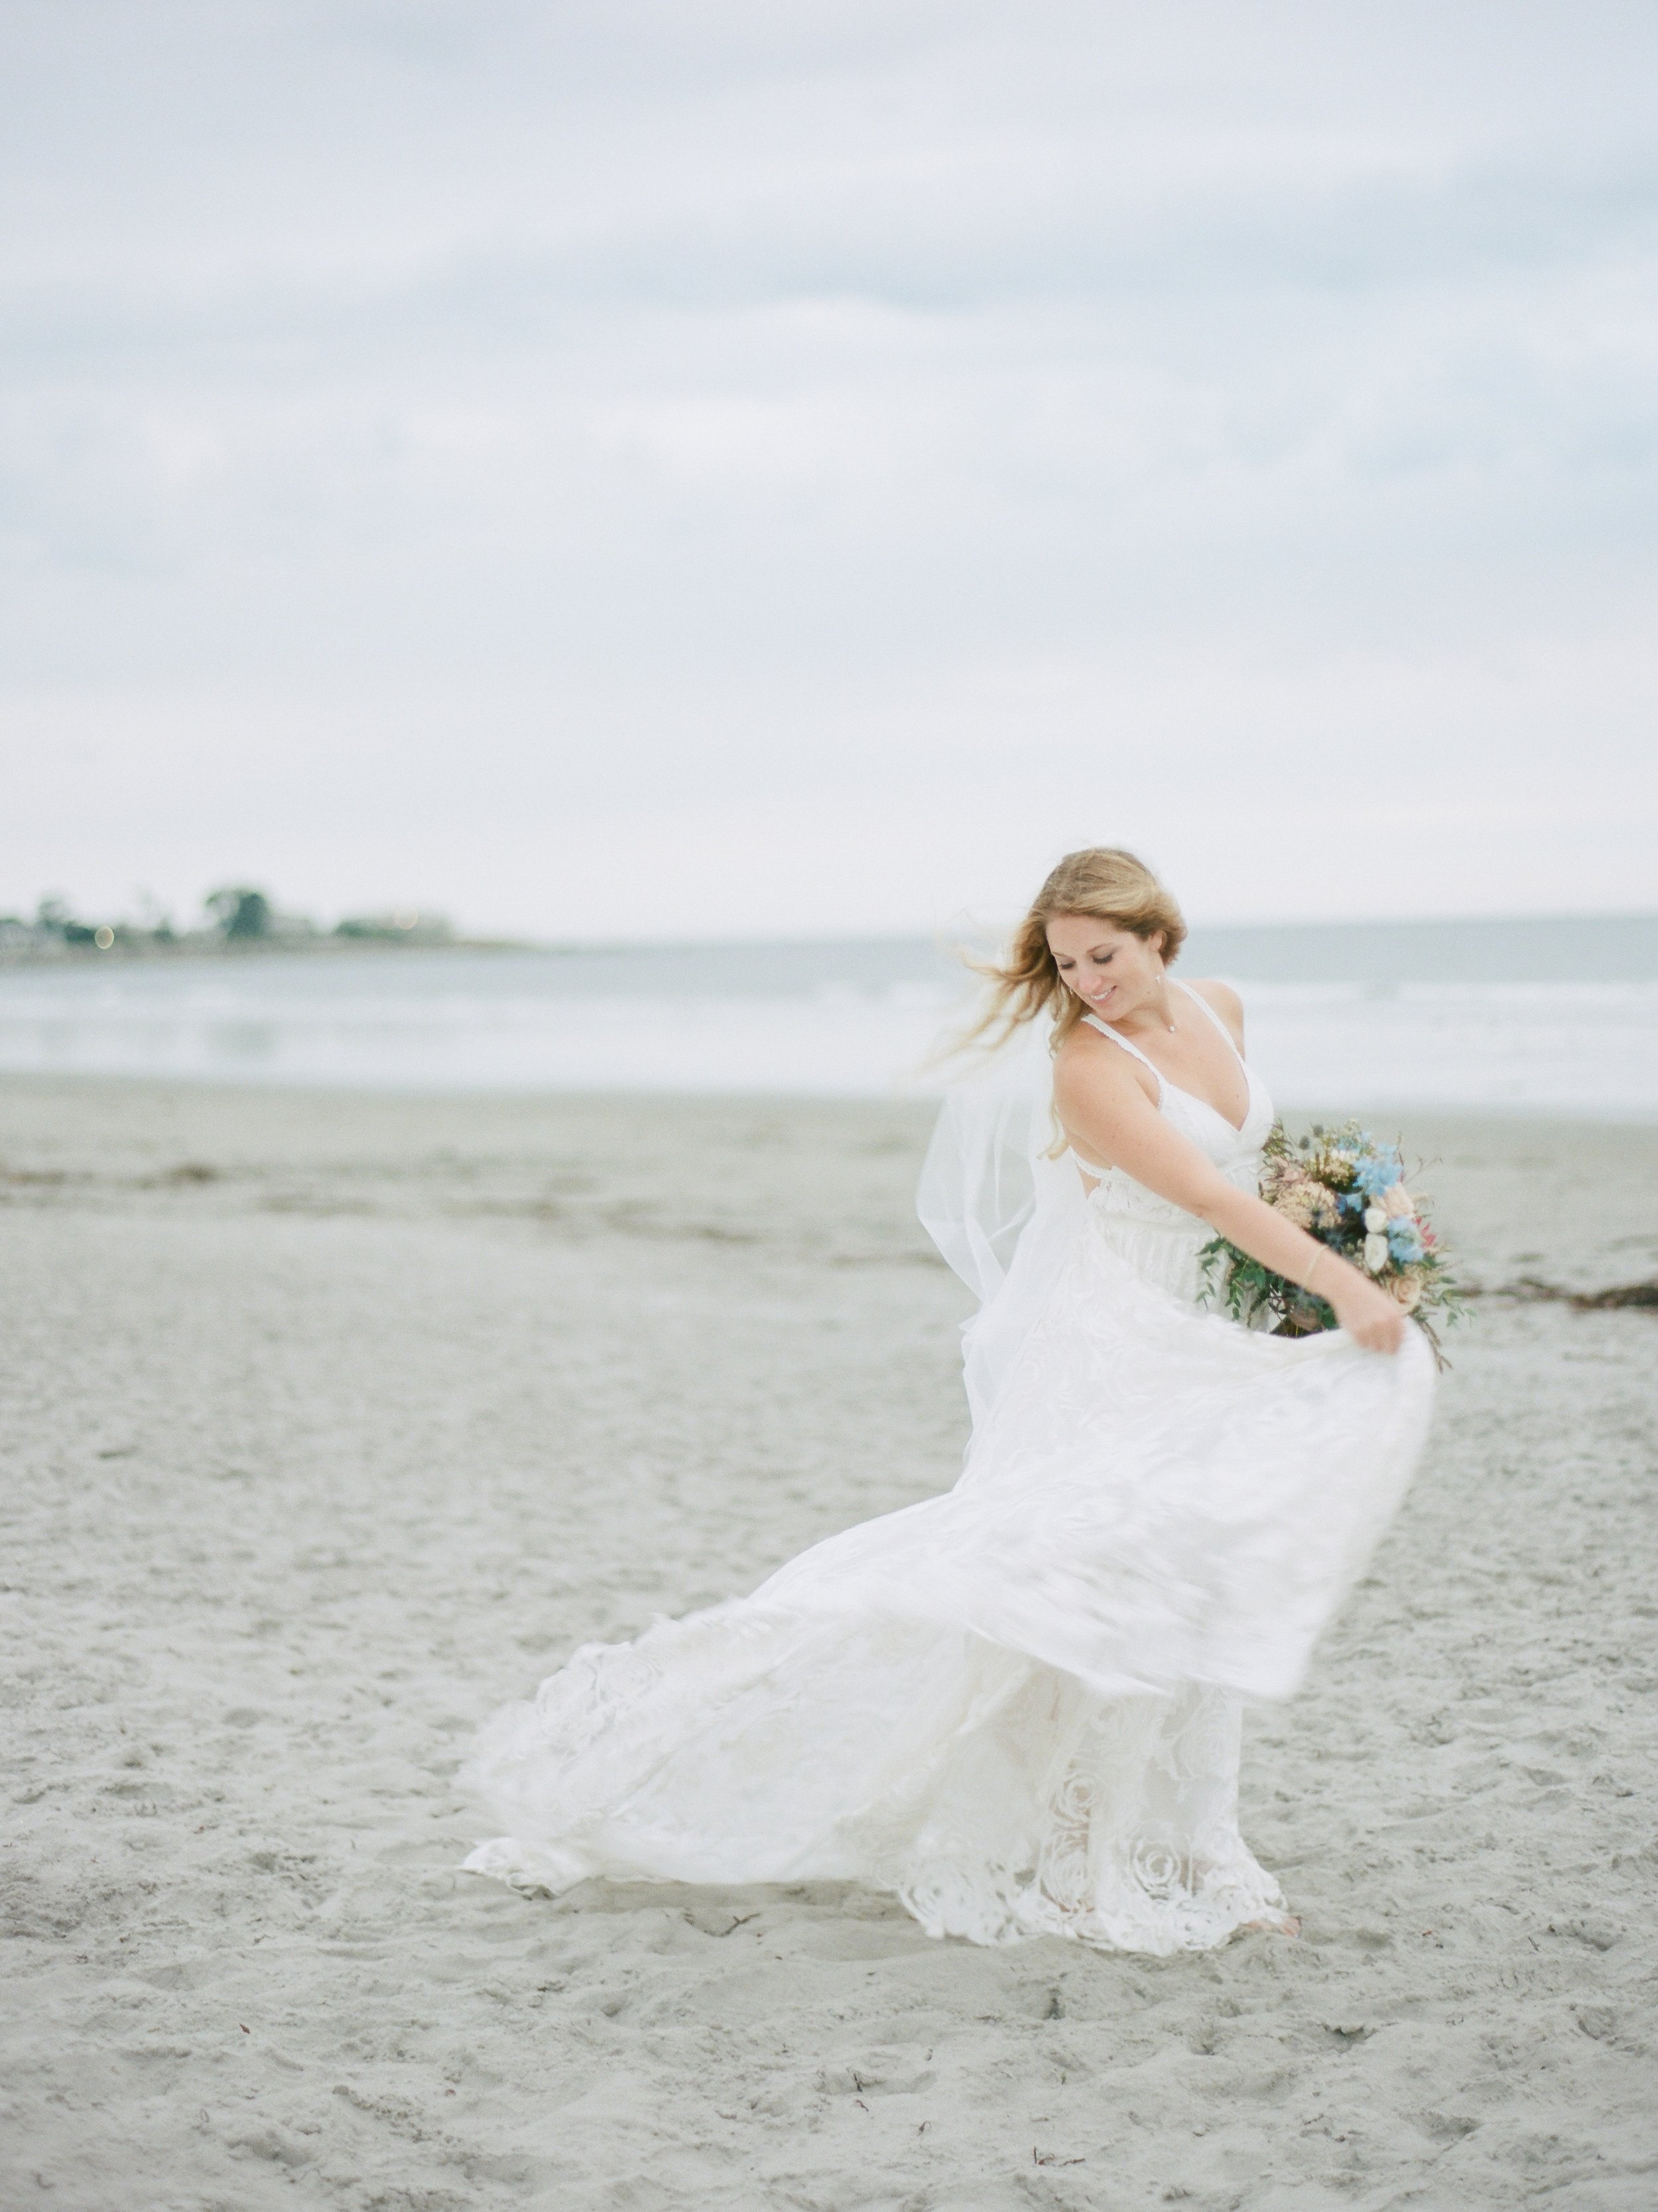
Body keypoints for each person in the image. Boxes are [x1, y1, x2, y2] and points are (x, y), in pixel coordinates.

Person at [460, 849, 1434, 1954]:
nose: (1088, 981)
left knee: (1200, 1576)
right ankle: (1076, 1871)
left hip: (1205, 1324)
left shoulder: (1223, 1008)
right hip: (1112, 1335)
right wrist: (1342, 1283)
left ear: (1162, 935)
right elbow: (1205, 1191)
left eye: (1104, 956)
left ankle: (1208, 1846)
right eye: (1067, 965)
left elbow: (1253, 1173)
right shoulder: (1084, 1063)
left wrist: (1325, 1233)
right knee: (1092, 1595)